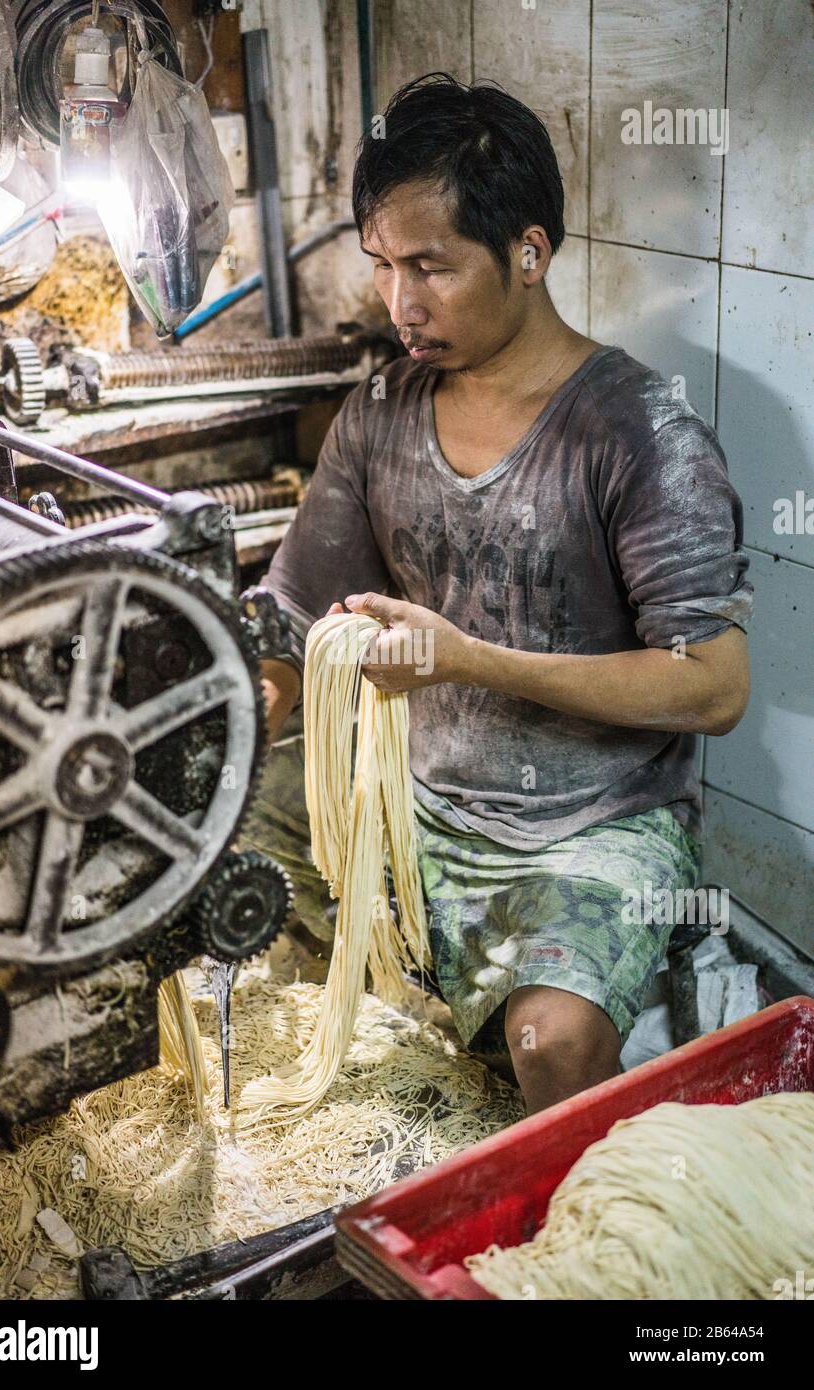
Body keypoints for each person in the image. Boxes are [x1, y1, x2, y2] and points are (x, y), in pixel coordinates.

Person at [241, 73, 753, 1115]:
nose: (401, 304)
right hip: (422, 803)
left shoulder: (637, 434)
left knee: (551, 1042)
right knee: (220, 871)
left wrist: (468, 659)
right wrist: (247, 706)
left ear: (529, 252)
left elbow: (713, 686)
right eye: (383, 267)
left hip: (592, 823)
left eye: (432, 266)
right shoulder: (380, 413)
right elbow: (290, 624)